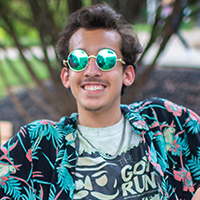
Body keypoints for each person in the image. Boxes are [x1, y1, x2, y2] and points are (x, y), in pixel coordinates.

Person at [0, 4, 200, 200]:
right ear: (66, 76)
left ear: (127, 74)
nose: (91, 71)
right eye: (78, 60)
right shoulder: (39, 144)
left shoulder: (165, 122)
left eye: (106, 59)